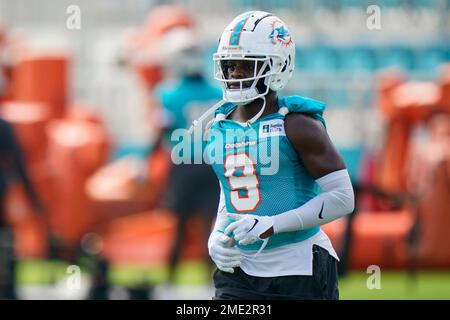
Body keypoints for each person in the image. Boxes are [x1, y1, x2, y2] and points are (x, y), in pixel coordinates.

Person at [190, 11, 354, 300]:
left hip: (299, 267)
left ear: (277, 67)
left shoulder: (298, 125)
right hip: (240, 270)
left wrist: (272, 225)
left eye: (245, 66)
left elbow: (342, 198)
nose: (234, 75)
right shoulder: (218, 126)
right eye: (229, 66)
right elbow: (230, 192)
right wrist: (216, 234)